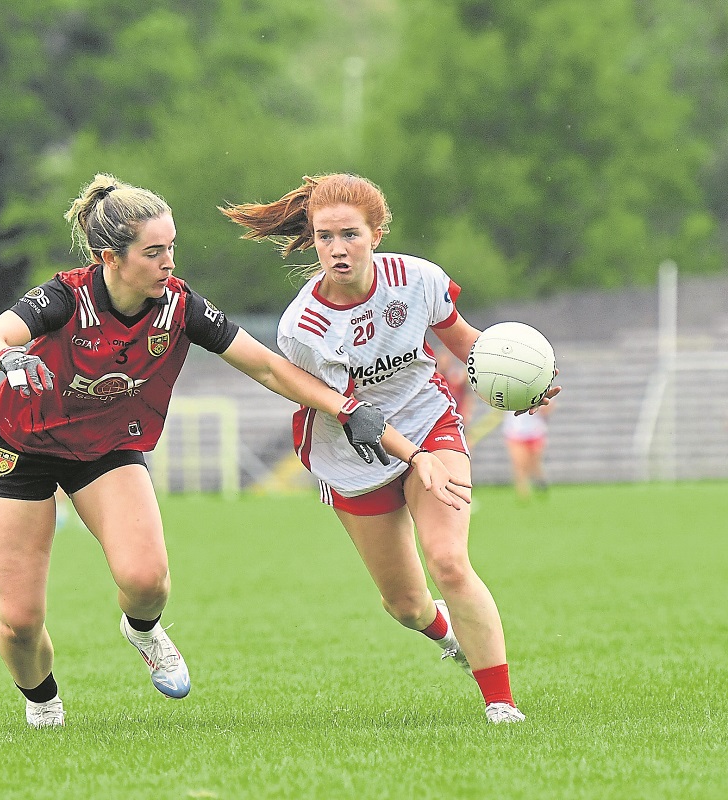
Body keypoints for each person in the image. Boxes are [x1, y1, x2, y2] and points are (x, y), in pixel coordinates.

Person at [0, 173, 468, 729]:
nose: (168, 263)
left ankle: (143, 630)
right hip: (22, 448)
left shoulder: (178, 306)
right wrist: (8, 358)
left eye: (171, 247)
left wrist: (344, 407)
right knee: (19, 621)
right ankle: (44, 704)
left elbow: (266, 365)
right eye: (153, 252)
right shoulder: (66, 296)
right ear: (111, 257)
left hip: (106, 449)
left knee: (147, 581)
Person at [221, 173, 559, 724]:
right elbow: (358, 418)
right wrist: (414, 458)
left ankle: (500, 704)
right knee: (406, 606)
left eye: (349, 235)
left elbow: (465, 343)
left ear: (376, 233)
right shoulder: (304, 328)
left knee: (449, 562)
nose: (337, 249)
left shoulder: (416, 278)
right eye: (324, 237)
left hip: (429, 421)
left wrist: (521, 378)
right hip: (352, 453)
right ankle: (443, 630)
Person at [502, 403, 553, 501]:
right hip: (515, 432)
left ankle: (540, 482)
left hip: (535, 431)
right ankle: (523, 494)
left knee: (534, 463)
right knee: (519, 463)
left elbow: (548, 408)